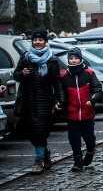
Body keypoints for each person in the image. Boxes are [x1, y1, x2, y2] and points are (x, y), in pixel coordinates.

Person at [13, 27, 65, 174]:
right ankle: (45, 152)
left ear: (45, 42)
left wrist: (60, 100)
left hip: (44, 100)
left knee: (40, 130)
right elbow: (16, 75)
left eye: (40, 39)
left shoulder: (52, 60)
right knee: (30, 132)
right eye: (35, 40)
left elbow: (57, 82)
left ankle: (38, 160)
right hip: (28, 100)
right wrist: (22, 73)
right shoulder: (26, 57)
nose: (37, 42)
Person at [61, 48, 101, 172]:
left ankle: (90, 150)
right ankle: (77, 159)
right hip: (72, 114)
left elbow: (97, 88)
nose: (73, 61)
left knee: (89, 137)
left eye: (76, 58)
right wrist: (59, 103)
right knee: (74, 137)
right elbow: (61, 93)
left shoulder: (88, 73)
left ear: (80, 59)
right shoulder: (64, 76)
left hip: (87, 113)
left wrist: (92, 100)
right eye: (71, 58)